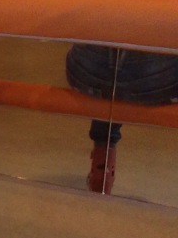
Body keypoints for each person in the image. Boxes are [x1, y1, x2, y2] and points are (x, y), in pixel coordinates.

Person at [66, 43, 178, 194]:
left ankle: (103, 160)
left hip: (86, 69)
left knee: (111, 81)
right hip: (154, 77)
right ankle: (103, 162)